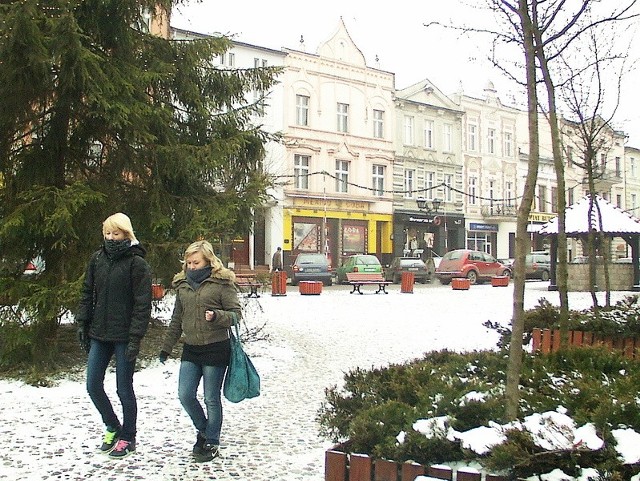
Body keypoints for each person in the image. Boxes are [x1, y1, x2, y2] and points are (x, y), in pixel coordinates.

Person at [76, 212, 152, 459]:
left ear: (126, 234)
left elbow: (143, 304)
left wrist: (135, 337)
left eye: (115, 233)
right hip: (100, 332)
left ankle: (129, 436)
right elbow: (88, 291)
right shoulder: (97, 259)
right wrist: (82, 322)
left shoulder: (136, 263)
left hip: (124, 335)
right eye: (107, 233)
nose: (110, 238)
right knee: (92, 385)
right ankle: (112, 425)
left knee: (123, 388)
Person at [159, 240, 242, 462]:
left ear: (208, 260)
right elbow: (177, 319)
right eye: (188, 263)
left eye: (195, 262)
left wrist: (217, 316)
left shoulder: (222, 283)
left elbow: (236, 315)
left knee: (211, 398)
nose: (191, 266)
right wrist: (166, 348)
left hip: (216, 348)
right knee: (185, 395)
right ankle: (204, 429)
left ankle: (212, 441)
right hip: (191, 348)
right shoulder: (183, 284)